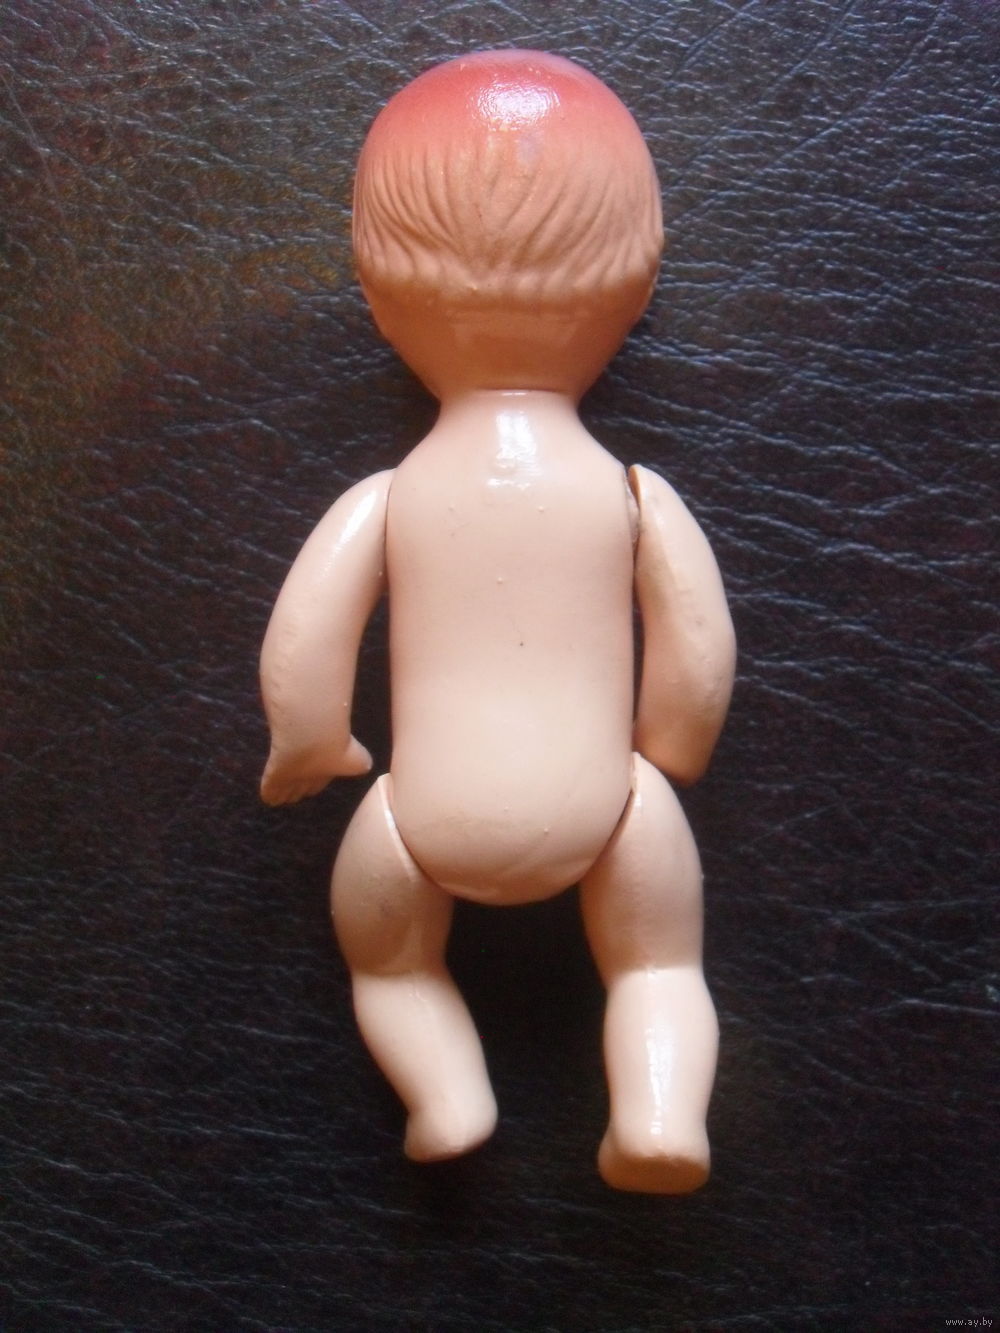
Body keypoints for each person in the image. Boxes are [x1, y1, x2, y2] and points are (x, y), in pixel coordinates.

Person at [260, 50, 735, 1193]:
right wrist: (670, 748)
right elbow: (697, 646)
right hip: (615, 808)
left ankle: (448, 1096)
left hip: (413, 818)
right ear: (634, 288)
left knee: (389, 965)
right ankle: (659, 1114)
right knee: (658, 965)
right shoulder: (629, 496)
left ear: (380, 299)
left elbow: (306, 637)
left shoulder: (393, 497)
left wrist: (311, 741)